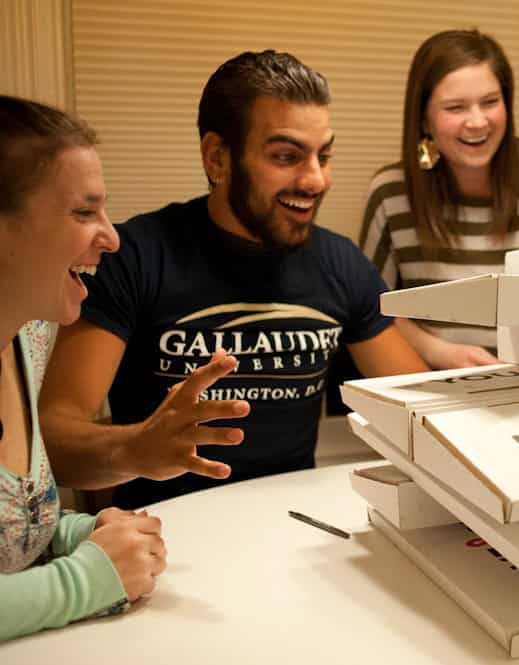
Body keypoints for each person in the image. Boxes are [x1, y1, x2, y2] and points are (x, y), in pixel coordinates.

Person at [39, 50, 428, 510]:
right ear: (217, 157)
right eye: (286, 156)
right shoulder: (135, 258)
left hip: (296, 530)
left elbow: (423, 413)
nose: (316, 180)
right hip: (164, 539)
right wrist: (133, 449)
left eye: (324, 156)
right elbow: (53, 441)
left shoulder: (341, 264)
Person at [0, 96, 167, 640]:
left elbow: (15, 531)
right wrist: (87, 578)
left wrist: (81, 532)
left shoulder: (30, 335)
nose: (112, 238)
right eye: (82, 212)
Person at [359, 29, 519, 368]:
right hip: (435, 385)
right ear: (423, 119)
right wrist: (438, 352)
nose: (478, 122)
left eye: (490, 102)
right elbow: (370, 306)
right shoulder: (392, 190)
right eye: (456, 107)